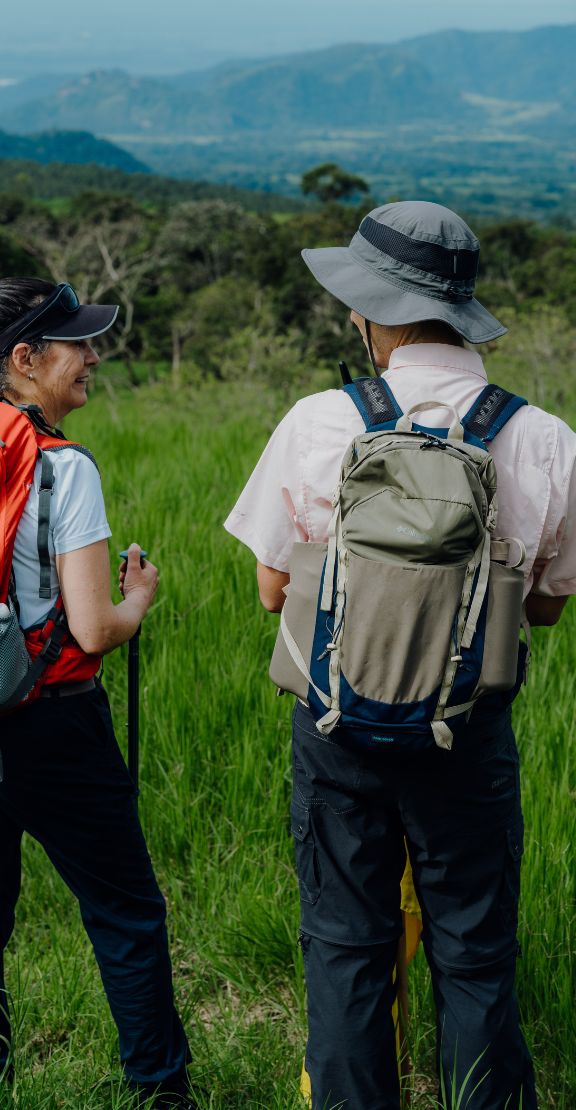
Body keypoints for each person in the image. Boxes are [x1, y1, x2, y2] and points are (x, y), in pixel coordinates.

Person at [224, 202, 576, 1109]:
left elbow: (271, 590)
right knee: (475, 951)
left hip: (337, 726)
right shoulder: (543, 437)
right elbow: (544, 609)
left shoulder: (317, 421)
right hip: (468, 732)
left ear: (373, 313)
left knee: (346, 944)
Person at [0, 278, 191, 1107]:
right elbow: (94, 629)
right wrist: (139, 599)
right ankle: (160, 1092)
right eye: (78, 344)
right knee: (124, 911)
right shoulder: (61, 465)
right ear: (26, 360)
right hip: (48, 722)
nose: (93, 356)